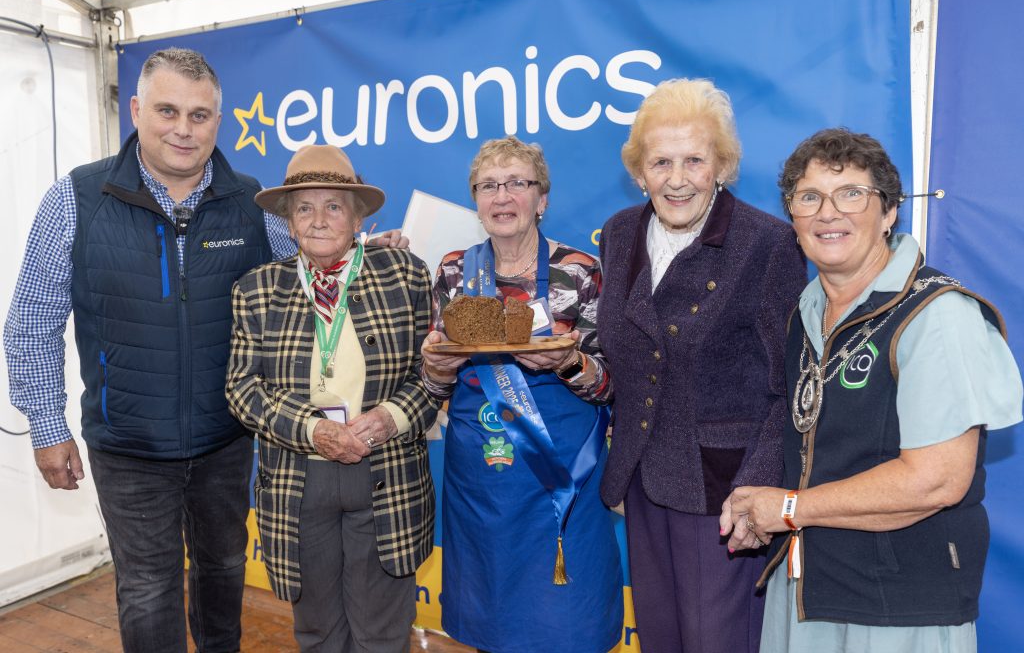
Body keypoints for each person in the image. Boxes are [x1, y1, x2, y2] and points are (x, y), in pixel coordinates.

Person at [2, 48, 406, 653]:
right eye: (167, 111)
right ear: (137, 110)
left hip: (226, 441)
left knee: (222, 575)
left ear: (218, 120)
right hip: (128, 444)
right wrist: (45, 426)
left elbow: (317, 264)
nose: (183, 129)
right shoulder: (76, 200)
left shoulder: (252, 204)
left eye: (200, 114)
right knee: (145, 590)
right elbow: (31, 322)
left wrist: (372, 254)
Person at [721, 128, 1023, 652]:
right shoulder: (804, 311)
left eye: (852, 194)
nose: (828, 213)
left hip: (901, 611)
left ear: (889, 214)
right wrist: (763, 507)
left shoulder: (939, 317)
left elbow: (935, 482)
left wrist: (789, 508)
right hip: (808, 595)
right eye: (808, 197)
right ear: (792, 218)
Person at [597, 78, 807, 653]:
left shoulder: (768, 244)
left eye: (695, 159)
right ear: (639, 172)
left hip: (724, 494)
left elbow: (788, 389)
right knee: (660, 639)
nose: (678, 177)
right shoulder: (619, 233)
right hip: (641, 480)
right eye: (661, 162)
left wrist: (756, 490)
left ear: (722, 165)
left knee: (718, 642)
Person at [225, 144, 437, 652]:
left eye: (334, 206)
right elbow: (241, 389)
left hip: (386, 477)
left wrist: (390, 417)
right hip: (299, 483)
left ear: (357, 214)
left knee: (383, 635)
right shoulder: (256, 289)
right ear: (288, 220)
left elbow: (433, 374)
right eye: (304, 207)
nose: (319, 220)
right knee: (317, 634)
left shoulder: (405, 274)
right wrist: (312, 429)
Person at [420, 136, 623, 652]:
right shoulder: (451, 273)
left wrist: (569, 361)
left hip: (562, 480)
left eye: (517, 183)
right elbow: (435, 387)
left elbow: (611, 382)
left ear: (543, 199)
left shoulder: (579, 271)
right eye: (489, 186)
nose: (503, 196)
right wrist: (434, 367)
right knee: (488, 623)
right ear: (475, 200)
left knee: (567, 624)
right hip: (481, 483)